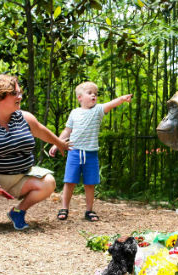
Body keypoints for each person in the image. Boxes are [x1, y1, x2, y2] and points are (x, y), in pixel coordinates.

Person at [0, 74, 70, 230]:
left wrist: (59, 143)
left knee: (48, 183)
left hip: (19, 177)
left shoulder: (24, 117)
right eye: (15, 93)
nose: (20, 97)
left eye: (20, 93)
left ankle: (18, 212)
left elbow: (41, 131)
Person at [49, 81, 132, 221]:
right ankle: (64, 208)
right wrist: (56, 143)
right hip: (74, 152)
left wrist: (122, 99)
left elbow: (111, 104)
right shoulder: (74, 113)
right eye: (89, 93)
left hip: (91, 154)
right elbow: (67, 131)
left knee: (90, 183)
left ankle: (89, 211)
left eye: (95, 93)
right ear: (80, 97)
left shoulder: (98, 110)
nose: (93, 95)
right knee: (69, 181)